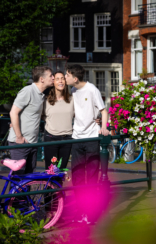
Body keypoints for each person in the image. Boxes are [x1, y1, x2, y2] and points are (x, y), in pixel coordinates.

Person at [65, 64, 109, 224]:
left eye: (67, 75)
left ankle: (90, 212)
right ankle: (81, 210)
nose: (65, 77)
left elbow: (103, 110)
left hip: (91, 138)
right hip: (77, 138)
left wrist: (103, 127)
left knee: (91, 176)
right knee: (76, 176)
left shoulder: (92, 90)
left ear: (75, 78)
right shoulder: (73, 90)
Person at [8, 66, 54, 175]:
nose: (53, 78)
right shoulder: (28, 91)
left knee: (29, 178)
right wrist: (19, 136)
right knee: (19, 179)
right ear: (42, 79)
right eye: (51, 76)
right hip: (20, 143)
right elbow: (13, 112)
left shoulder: (41, 95)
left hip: (32, 143)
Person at [42, 71, 74, 170]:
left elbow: (82, 114)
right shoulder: (46, 100)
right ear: (53, 82)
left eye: (62, 78)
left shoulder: (72, 99)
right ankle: (48, 186)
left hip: (67, 139)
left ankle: (58, 186)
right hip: (51, 138)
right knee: (51, 171)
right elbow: (38, 115)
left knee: (61, 171)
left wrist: (97, 118)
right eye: (57, 79)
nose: (60, 81)